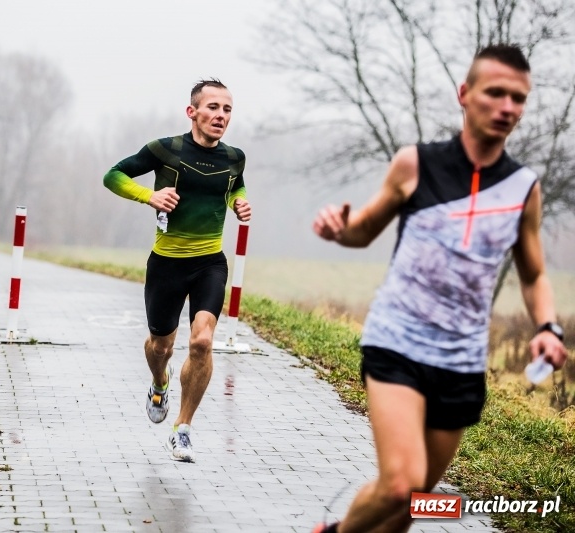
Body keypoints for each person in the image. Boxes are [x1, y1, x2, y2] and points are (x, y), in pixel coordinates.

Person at [311, 44, 568, 532]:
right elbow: (363, 229)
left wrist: (548, 326)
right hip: (397, 341)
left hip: (460, 359)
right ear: (465, 94)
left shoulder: (523, 188)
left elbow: (533, 273)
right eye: (495, 93)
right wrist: (338, 230)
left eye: (518, 98)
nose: (507, 107)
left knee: (415, 502)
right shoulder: (415, 164)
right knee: (399, 483)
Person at [103, 78, 251, 462]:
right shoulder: (165, 150)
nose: (221, 116)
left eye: (227, 109)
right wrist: (148, 195)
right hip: (167, 264)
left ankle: (182, 428)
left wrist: (240, 202)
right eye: (213, 108)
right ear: (193, 112)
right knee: (161, 346)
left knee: (201, 342)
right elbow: (113, 176)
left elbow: (235, 186)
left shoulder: (235, 157)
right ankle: (159, 382)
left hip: (210, 262)